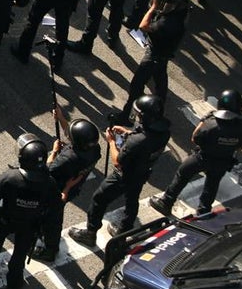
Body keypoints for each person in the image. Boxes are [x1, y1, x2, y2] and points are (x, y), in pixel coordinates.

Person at [70, 96, 171, 243]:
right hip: (142, 172)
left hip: (125, 175)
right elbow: (146, 138)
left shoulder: (136, 142)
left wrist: (111, 141)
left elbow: (118, 161)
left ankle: (90, 233)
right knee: (132, 199)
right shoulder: (163, 131)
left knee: (99, 198)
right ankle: (124, 229)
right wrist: (126, 132)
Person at [0, 136, 58, 289]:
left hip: (6, 218)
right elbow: (54, 204)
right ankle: (14, 282)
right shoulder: (49, 183)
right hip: (30, 223)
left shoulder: (10, 177)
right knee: (20, 253)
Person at [150, 89, 242, 217]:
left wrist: (204, 119)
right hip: (223, 161)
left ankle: (166, 201)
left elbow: (195, 138)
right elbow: (241, 146)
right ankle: (203, 211)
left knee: (183, 173)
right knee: (212, 184)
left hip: (202, 157)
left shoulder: (211, 124)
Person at [115, 0, 188, 124]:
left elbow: (143, 26)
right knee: (160, 82)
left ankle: (126, 116)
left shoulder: (166, 23)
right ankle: (159, 109)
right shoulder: (180, 12)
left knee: (136, 87)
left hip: (154, 56)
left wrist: (153, 8)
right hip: (164, 55)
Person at [32, 114, 101, 262]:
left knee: (52, 220)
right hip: (73, 188)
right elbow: (74, 136)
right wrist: (61, 118)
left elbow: (46, 170)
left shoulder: (67, 159)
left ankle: (50, 250)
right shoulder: (94, 149)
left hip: (56, 191)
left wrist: (54, 152)